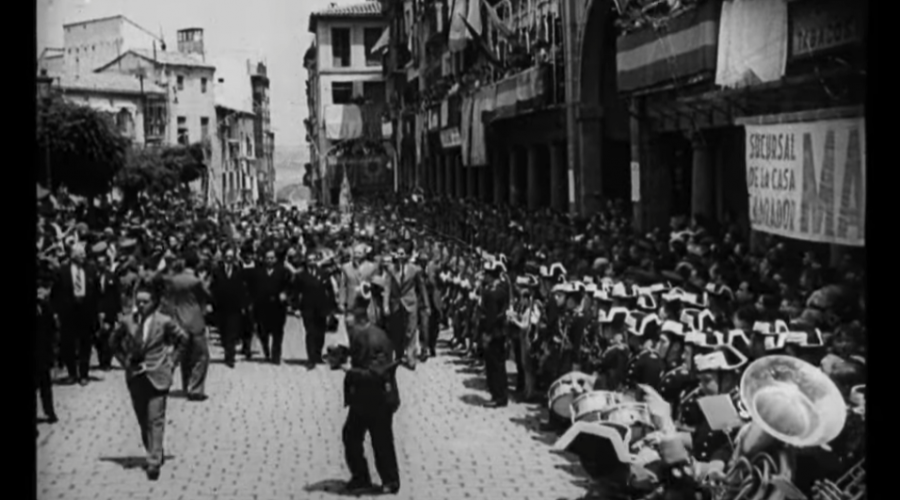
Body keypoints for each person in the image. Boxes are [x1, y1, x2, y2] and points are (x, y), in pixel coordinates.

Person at [109, 285, 188, 480]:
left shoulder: (164, 321)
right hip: (136, 376)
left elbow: (183, 339)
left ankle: (153, 462)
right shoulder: (128, 321)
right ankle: (153, 450)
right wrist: (123, 361)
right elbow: (113, 341)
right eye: (139, 301)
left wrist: (172, 362)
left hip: (158, 374)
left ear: (154, 303)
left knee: (156, 418)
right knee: (143, 419)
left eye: (146, 301)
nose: (141, 305)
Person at [342, 300, 401, 495]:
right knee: (351, 435)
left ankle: (390, 481)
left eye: (348, 319)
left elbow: (376, 374)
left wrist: (349, 371)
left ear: (360, 320)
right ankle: (361, 477)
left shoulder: (375, 338)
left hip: (378, 400)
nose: (345, 322)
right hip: (363, 399)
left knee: (381, 440)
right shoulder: (362, 335)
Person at [158, 251, 211, 401]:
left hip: (178, 319)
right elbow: (206, 295)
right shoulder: (195, 281)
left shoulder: (174, 280)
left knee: (183, 355)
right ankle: (195, 388)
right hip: (195, 320)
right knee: (201, 356)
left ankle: (183, 383)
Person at [51, 243, 100, 385]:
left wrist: (97, 311)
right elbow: (56, 294)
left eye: (84, 253)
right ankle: (72, 373)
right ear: (73, 255)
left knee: (86, 343)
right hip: (68, 312)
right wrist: (56, 313)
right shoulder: (62, 271)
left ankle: (84, 374)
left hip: (86, 311)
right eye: (80, 254)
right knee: (68, 344)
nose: (83, 256)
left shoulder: (91, 270)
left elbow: (96, 292)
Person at [385, 244, 430, 368]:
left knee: (411, 331)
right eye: (398, 254)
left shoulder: (415, 270)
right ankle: (399, 354)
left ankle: (411, 358)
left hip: (410, 303)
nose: (400, 257)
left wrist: (426, 305)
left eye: (402, 254)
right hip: (396, 304)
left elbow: (422, 288)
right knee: (398, 331)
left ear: (407, 256)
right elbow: (387, 287)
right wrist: (386, 306)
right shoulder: (391, 269)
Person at [210, 247, 251, 367]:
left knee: (232, 331)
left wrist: (244, 304)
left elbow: (243, 289)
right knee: (223, 331)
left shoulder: (238, 270)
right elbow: (213, 288)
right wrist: (211, 303)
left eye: (231, 257)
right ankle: (227, 349)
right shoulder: (217, 271)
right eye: (227, 257)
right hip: (221, 306)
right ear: (223, 257)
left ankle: (230, 356)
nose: (229, 259)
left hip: (235, 306)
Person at [251, 248, 292, 364]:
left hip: (278, 306)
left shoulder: (283, 271)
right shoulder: (258, 272)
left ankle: (276, 356)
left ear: (276, 259)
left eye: (272, 258)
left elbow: (290, 286)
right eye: (267, 258)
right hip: (262, 306)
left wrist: (285, 293)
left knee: (278, 332)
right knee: (263, 331)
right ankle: (266, 350)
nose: (270, 260)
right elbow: (253, 287)